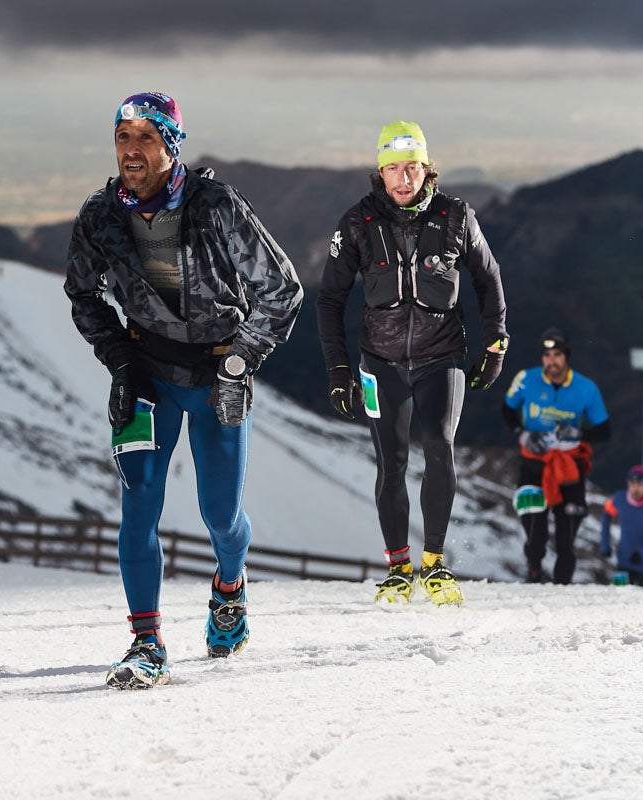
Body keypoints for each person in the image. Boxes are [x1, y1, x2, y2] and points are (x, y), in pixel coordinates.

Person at [64, 92, 302, 689]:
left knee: (219, 514)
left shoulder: (215, 205)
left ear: (172, 144)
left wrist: (241, 361)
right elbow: (82, 293)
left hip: (218, 371)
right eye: (123, 137)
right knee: (137, 511)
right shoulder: (99, 217)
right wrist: (119, 357)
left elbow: (282, 290)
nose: (131, 150)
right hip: (146, 377)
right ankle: (146, 644)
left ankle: (229, 587)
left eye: (146, 137)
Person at [316, 120, 508, 606]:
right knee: (392, 463)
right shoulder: (357, 223)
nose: (405, 179)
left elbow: (488, 278)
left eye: (413, 167)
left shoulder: (456, 216)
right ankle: (398, 568)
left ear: (428, 168)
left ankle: (435, 564)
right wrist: (339, 370)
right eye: (394, 169)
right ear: (380, 173)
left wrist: (495, 344)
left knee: (439, 448)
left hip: (441, 357)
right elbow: (329, 300)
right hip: (379, 362)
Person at [503, 327, 610, 584]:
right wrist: (522, 432)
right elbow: (507, 410)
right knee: (535, 534)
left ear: (566, 357)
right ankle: (534, 568)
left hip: (569, 469)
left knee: (566, 541)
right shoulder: (526, 380)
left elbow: (604, 430)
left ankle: (561, 591)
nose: (552, 361)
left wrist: (578, 432)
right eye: (547, 355)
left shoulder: (586, 389)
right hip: (533, 464)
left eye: (558, 354)